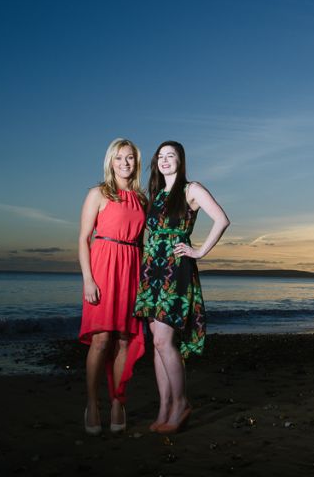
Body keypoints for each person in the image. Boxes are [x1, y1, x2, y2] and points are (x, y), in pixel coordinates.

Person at [134, 141, 229, 434]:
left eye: (170, 156)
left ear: (180, 160)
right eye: (160, 156)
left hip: (176, 269)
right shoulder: (156, 194)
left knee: (164, 340)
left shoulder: (192, 189)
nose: (164, 160)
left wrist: (199, 251)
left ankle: (181, 404)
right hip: (153, 270)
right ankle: (164, 407)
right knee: (157, 344)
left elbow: (222, 220)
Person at [79, 138, 147, 435]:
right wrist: (88, 279)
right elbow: (83, 239)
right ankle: (93, 404)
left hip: (132, 268)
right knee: (101, 339)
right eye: (119, 158)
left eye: (130, 158)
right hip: (103, 267)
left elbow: (143, 243)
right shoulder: (98, 193)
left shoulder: (142, 199)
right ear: (110, 161)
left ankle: (117, 401)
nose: (125, 163)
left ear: (136, 162)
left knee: (123, 340)